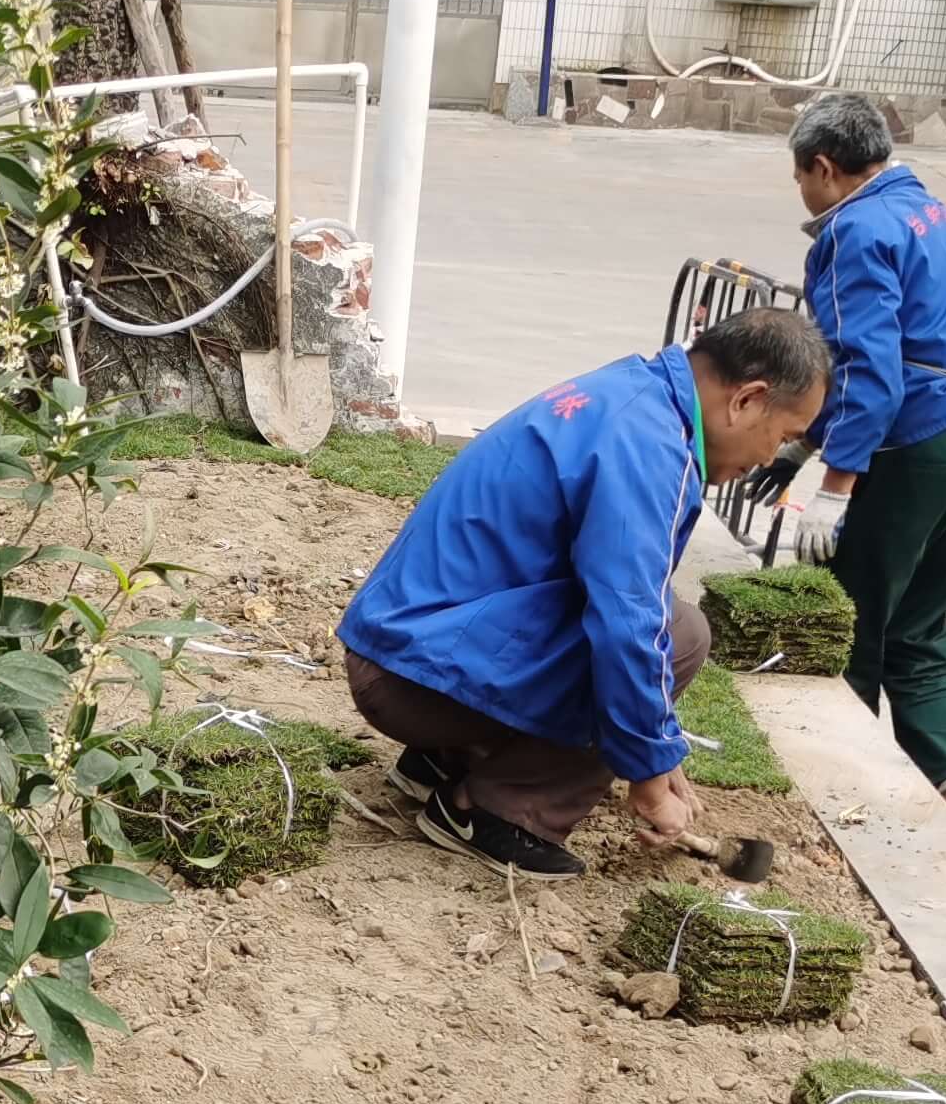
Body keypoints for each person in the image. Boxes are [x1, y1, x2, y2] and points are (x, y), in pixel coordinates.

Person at [336, 304, 831, 879]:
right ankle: (498, 811)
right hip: (414, 679)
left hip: (404, 652)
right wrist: (647, 775)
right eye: (785, 437)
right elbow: (630, 626)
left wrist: (661, 745)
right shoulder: (652, 447)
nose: (770, 459)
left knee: (658, 629)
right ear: (746, 399)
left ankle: (442, 763)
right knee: (680, 635)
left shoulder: (635, 397)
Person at [782, 93, 946, 812]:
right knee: (921, 615)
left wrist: (836, 484)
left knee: (854, 614)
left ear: (823, 166)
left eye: (801, 178)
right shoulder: (934, 215)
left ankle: (843, 788)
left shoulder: (854, 230)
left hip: (909, 448)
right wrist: (811, 438)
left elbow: (866, 368)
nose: (804, 193)